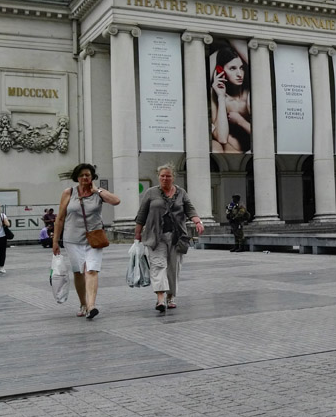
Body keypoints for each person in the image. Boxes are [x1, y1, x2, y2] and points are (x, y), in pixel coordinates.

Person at [52, 163, 121, 319]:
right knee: (78, 272)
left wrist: (97, 190)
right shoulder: (68, 193)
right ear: (77, 177)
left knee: (91, 270)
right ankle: (83, 303)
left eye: (88, 175)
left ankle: (91, 306)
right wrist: (55, 241)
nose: (85, 177)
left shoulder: (98, 194)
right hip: (72, 239)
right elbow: (60, 218)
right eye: (82, 175)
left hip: (94, 239)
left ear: (92, 177)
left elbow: (116, 201)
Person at [134, 165, 205, 313]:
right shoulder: (151, 193)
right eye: (162, 176)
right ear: (158, 177)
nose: (165, 179)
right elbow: (141, 216)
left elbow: (190, 209)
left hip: (176, 236)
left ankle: (171, 296)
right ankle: (160, 298)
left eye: (168, 176)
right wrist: (137, 237)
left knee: (173, 268)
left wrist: (197, 221)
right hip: (155, 236)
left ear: (174, 177)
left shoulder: (181, 193)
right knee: (158, 266)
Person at [209, 40, 252, 153]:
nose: (239, 74)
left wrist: (240, 121)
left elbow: (264, 136)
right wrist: (221, 97)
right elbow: (222, 138)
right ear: (221, 71)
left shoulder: (249, 94)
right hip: (229, 152)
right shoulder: (214, 94)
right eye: (232, 68)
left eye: (241, 68)